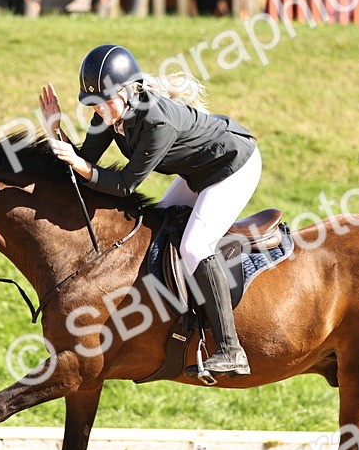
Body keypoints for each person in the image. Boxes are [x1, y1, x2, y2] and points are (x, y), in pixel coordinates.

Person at [40, 44, 261, 377]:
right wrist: (55, 129)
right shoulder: (109, 114)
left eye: (105, 100)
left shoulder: (157, 121)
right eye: (93, 104)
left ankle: (231, 349)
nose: (99, 109)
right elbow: (86, 161)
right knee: (158, 229)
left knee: (193, 246)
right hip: (198, 170)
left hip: (233, 165)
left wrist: (82, 165)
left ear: (128, 92)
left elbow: (126, 184)